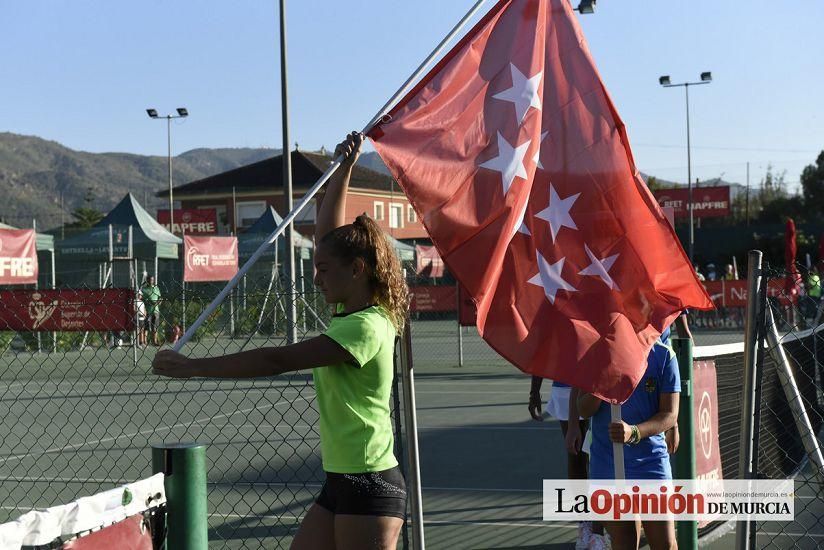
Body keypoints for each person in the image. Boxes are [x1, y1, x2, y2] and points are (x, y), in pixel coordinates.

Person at [152, 132, 409, 550]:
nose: (316, 277)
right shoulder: (351, 313)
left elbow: (276, 360)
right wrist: (343, 169)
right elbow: (329, 233)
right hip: (341, 480)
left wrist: (194, 366)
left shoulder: (365, 327)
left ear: (358, 269)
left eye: (324, 270)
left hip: (369, 483)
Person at [577, 339, 680, 549]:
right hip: (608, 464)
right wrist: (602, 386)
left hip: (651, 463)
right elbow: (583, 409)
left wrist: (633, 432)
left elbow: (669, 414)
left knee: (666, 544)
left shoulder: (664, 356)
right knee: (624, 539)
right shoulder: (597, 353)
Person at [141, 276, 162, 346]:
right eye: (149, 280)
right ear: (147, 280)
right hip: (147, 311)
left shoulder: (156, 288)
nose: (151, 281)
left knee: (155, 327)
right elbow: (142, 299)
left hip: (155, 311)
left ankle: (154, 342)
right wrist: (148, 302)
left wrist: (159, 302)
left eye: (152, 280)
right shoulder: (144, 289)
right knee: (146, 327)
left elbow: (160, 297)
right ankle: (145, 341)